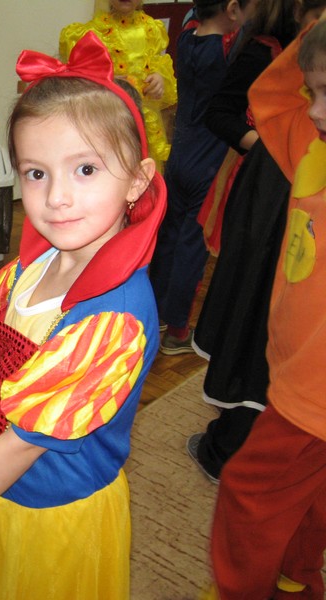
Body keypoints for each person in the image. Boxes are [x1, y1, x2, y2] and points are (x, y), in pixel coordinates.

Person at [0, 32, 166, 599]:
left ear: (138, 180)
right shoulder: (34, 265)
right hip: (0, 483)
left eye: (85, 170)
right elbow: (2, 366)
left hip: (54, 514)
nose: (56, 197)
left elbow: (26, 441)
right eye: (36, 173)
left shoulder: (113, 319)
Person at [207, 16, 326, 599]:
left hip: (314, 396)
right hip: (297, 375)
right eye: (316, 91)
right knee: (310, 499)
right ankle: (297, 580)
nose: (317, 108)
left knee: (249, 494)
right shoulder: (313, 144)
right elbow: (273, 93)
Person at [188, 0, 326, 484]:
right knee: (252, 330)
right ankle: (232, 440)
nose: (317, 108)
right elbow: (258, 99)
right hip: (271, 215)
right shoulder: (296, 130)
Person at [149, 0, 248, 355]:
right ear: (231, 9)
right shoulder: (228, 49)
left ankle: (157, 316)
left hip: (180, 155)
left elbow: (196, 17)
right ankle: (177, 331)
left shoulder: (187, 37)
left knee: (169, 238)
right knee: (192, 247)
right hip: (208, 162)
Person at [60, 0, 178, 165]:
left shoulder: (152, 28)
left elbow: (158, 62)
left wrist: (159, 78)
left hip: (144, 118)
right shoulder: (93, 32)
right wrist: (104, 80)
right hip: (110, 115)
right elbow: (80, 77)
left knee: (144, 163)